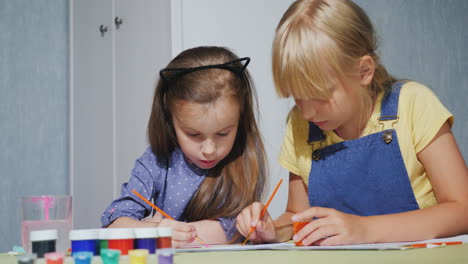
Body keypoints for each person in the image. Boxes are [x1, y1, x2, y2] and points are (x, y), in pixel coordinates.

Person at [236, 0, 468, 246]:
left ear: (364, 71)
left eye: (320, 96)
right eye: (297, 97)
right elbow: (296, 215)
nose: (308, 112)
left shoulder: (413, 104)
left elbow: (462, 209)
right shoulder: (300, 124)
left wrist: (365, 229)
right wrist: (273, 230)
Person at [101, 46, 267, 247]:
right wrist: (155, 232)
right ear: (170, 122)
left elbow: (235, 230)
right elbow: (114, 223)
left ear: (240, 121)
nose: (209, 150)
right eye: (193, 134)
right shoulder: (157, 161)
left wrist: (173, 236)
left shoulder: (243, 157)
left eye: (223, 133)